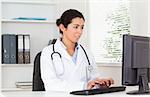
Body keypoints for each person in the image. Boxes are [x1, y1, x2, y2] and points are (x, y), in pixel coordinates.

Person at [41, 9, 114, 92]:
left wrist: (100, 84)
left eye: (82, 27)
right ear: (62, 27)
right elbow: (51, 84)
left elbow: (93, 79)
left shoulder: (87, 52)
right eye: (76, 27)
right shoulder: (48, 52)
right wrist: (84, 86)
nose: (80, 31)